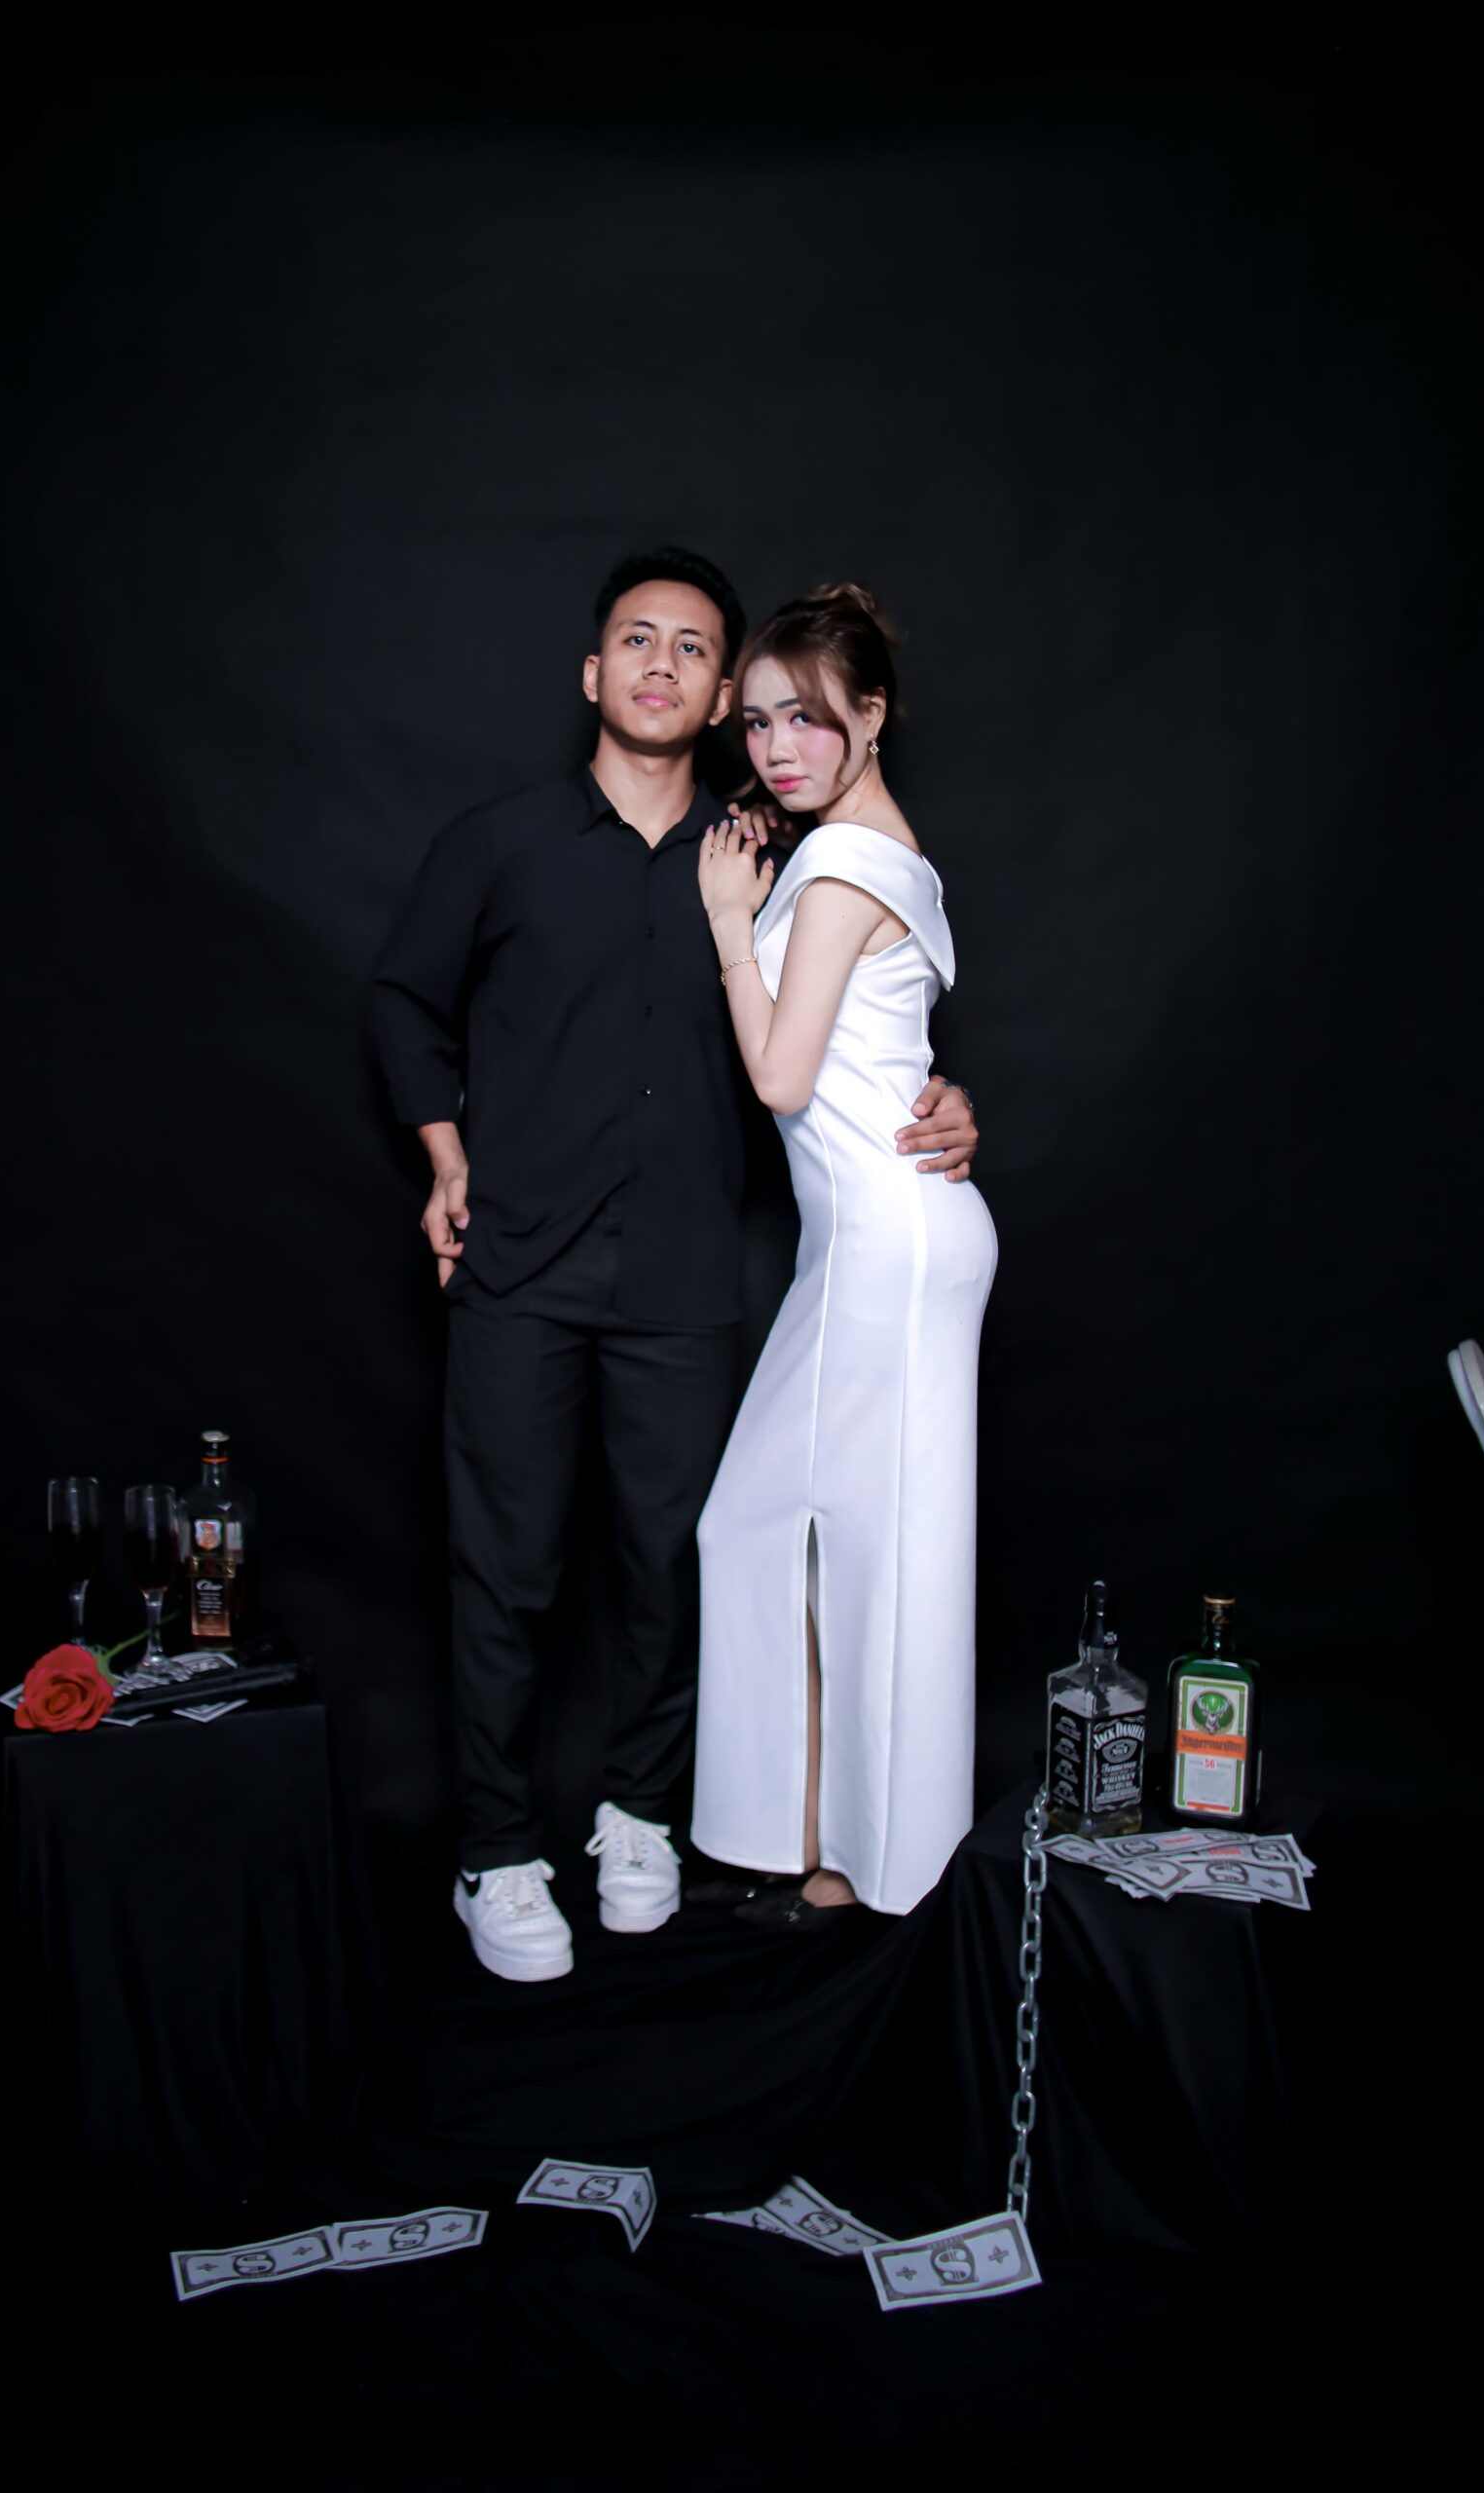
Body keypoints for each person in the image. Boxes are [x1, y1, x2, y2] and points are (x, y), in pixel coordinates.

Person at [373, 548, 980, 1982]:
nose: (661, 662)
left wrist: (941, 1098)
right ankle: (496, 1850)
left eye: (694, 647)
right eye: (635, 639)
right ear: (595, 673)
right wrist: (447, 1160)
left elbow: (849, 1019)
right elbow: (404, 1000)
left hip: (688, 1274)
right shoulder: (498, 843)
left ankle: (641, 1817)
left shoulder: (765, 853)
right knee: (506, 1572)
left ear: (719, 699)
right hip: (520, 1266)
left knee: (671, 1566)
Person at [690, 582, 997, 1927]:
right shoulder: (882, 854)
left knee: (880, 1558)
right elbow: (886, 1053)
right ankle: (825, 1843)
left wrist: (726, 920)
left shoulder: (838, 868)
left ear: (872, 716)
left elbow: (780, 1076)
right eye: (758, 722)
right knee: (786, 1534)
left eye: (807, 719)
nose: (776, 748)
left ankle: (877, 1868)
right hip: (879, 1231)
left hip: (887, 1237)